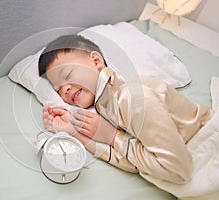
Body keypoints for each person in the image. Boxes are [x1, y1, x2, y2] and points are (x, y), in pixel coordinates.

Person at [38, 34, 213, 184]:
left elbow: (178, 171)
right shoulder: (102, 102)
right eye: (58, 89)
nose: (65, 90)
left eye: (67, 75)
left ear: (96, 60)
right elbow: (136, 160)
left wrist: (112, 136)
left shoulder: (132, 98)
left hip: (206, 151)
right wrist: (73, 131)